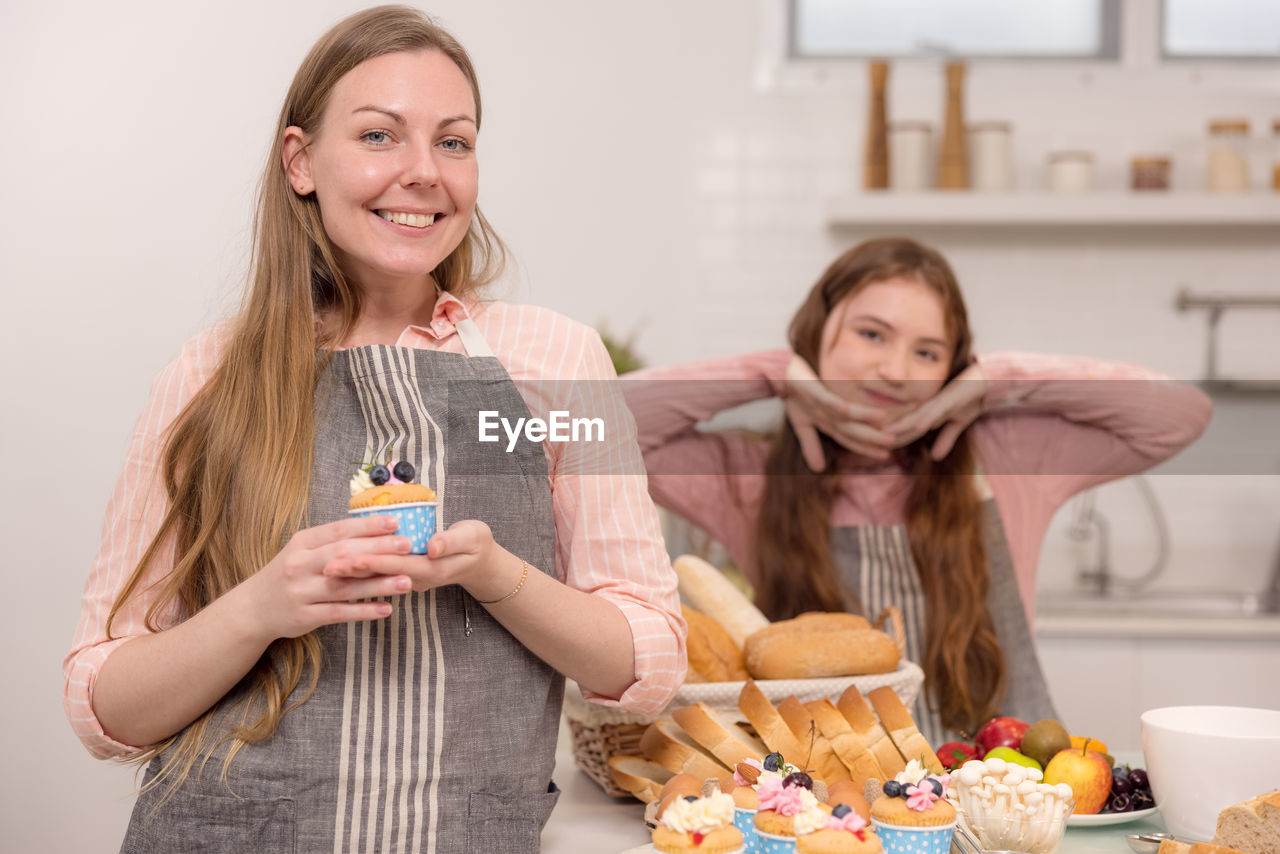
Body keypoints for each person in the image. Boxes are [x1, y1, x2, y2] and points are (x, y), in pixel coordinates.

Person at [63, 7, 684, 852]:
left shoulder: (553, 362)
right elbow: (107, 707)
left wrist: (496, 574)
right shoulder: (206, 377)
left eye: (454, 142)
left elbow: (643, 664)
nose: (425, 172)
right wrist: (264, 606)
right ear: (301, 161)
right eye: (380, 136)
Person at [623, 236, 1210, 746]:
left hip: (1003, 795)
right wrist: (773, 372)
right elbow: (583, 418)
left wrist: (994, 377)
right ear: (817, 333)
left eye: (927, 352)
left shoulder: (1005, 457)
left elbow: (1180, 414)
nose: (896, 369)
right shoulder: (750, 476)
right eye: (872, 334)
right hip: (830, 802)